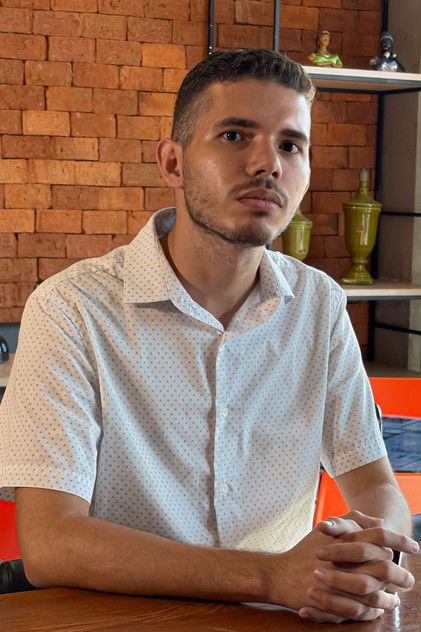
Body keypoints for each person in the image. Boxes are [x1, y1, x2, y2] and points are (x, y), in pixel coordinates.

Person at [0, 49, 418, 624]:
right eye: (234, 136)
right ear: (173, 163)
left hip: (283, 618)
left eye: (290, 146)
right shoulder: (72, 308)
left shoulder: (319, 304)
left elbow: (377, 486)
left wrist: (371, 557)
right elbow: (51, 542)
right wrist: (270, 575)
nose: (267, 164)